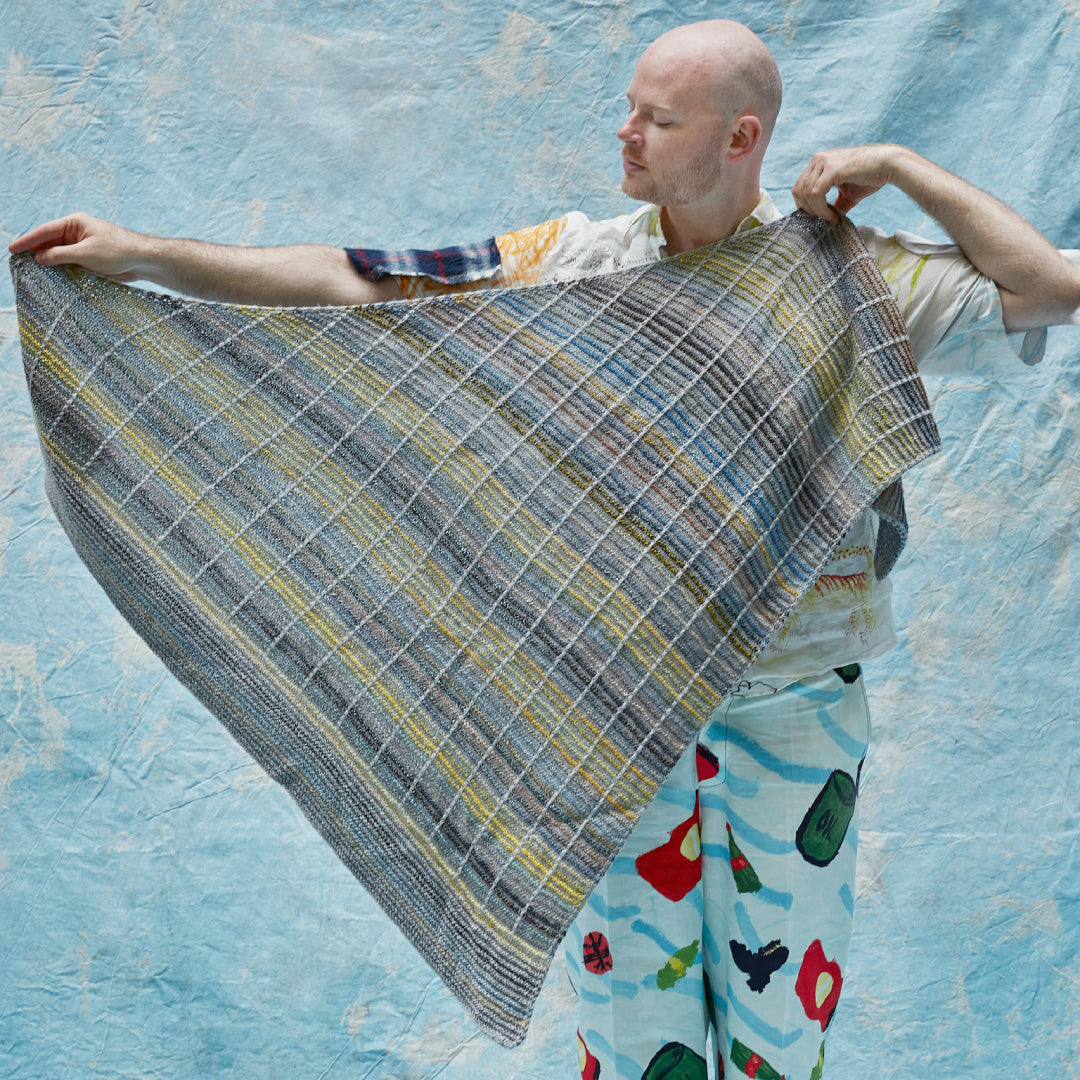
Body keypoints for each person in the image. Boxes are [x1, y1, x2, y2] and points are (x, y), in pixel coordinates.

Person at [11, 19, 1079, 1080]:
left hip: (795, 709)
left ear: (740, 136)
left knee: (782, 1033)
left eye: (658, 120)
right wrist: (144, 255)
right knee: (628, 1033)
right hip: (612, 714)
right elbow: (367, 279)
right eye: (630, 107)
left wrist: (896, 165)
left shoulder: (851, 280)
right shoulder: (580, 263)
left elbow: (1053, 287)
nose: (625, 134)